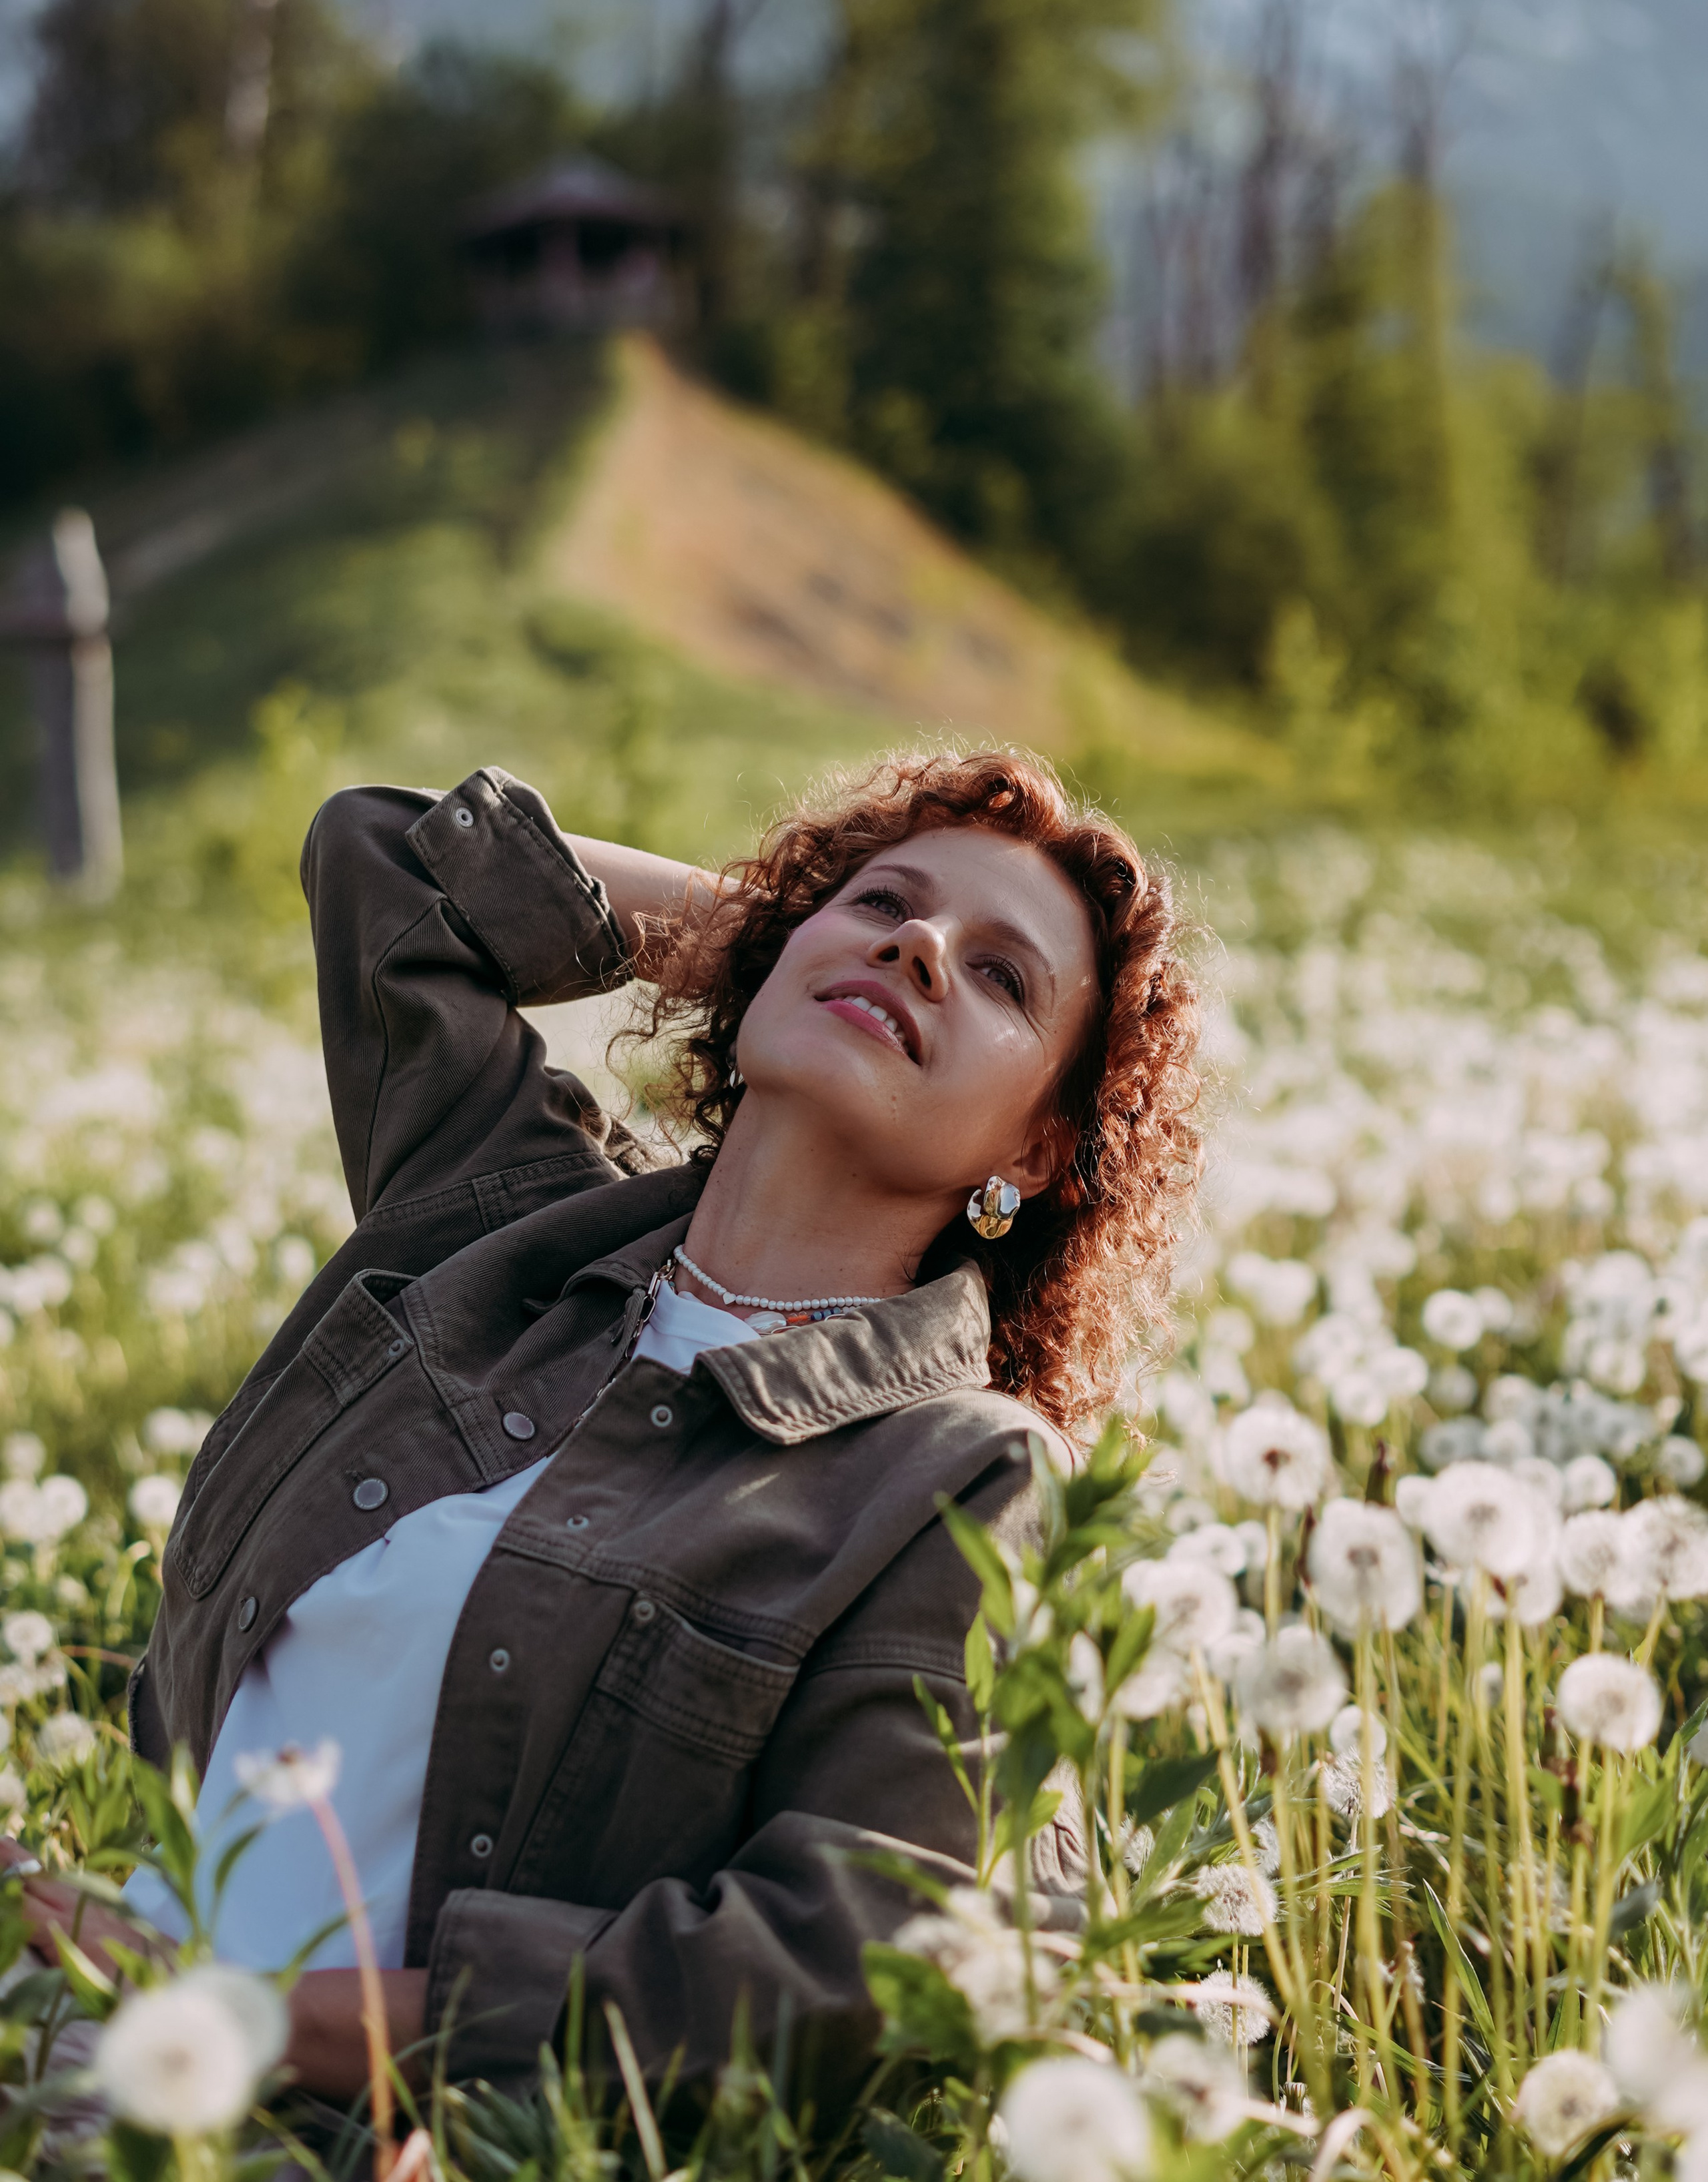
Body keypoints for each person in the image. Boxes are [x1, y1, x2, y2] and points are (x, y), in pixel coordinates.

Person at [5, 747, 1199, 2120]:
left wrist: (243, 2019)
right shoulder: (496, 1219)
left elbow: (849, 1962)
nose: (921, 946)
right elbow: (389, 854)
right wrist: (773, 938)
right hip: (69, 2030)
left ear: (1037, 1149)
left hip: (333, 2136)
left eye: (999, 977)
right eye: (882, 902)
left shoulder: (957, 1481)